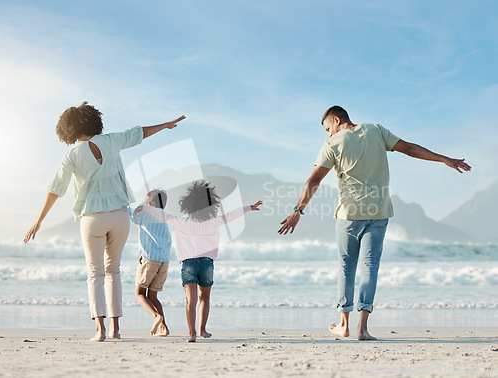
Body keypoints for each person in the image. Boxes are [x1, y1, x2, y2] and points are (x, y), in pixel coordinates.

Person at [278, 105, 471, 340]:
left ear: (336, 120)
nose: (328, 134)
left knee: (346, 268)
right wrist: (444, 159)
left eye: (328, 129)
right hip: (379, 212)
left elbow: (313, 181)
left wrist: (298, 209)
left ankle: (344, 325)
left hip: (349, 215)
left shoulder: (332, 144)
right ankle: (363, 328)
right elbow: (408, 148)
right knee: (370, 267)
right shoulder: (376, 130)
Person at [24, 101, 185, 341]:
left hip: (92, 218)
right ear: (93, 121)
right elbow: (139, 133)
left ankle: (99, 330)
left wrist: (38, 220)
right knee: (114, 272)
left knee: (95, 273)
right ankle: (115, 329)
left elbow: (56, 188)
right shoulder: (111, 140)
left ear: (67, 129)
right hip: (120, 215)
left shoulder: (71, 154)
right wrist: (166, 125)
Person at [136, 180, 263, 342]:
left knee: (191, 300)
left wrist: (146, 207)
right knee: (205, 298)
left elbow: (163, 215)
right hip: (207, 264)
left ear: (188, 205)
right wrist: (249, 207)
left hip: (188, 264)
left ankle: (192, 333)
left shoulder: (182, 222)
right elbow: (230, 215)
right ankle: (203, 329)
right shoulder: (214, 221)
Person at [129, 188, 172, 336]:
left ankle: (156, 316)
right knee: (153, 297)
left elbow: (129, 212)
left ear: (149, 203)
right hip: (164, 261)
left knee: (139, 293)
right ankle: (164, 328)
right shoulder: (166, 217)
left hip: (149, 259)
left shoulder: (144, 214)